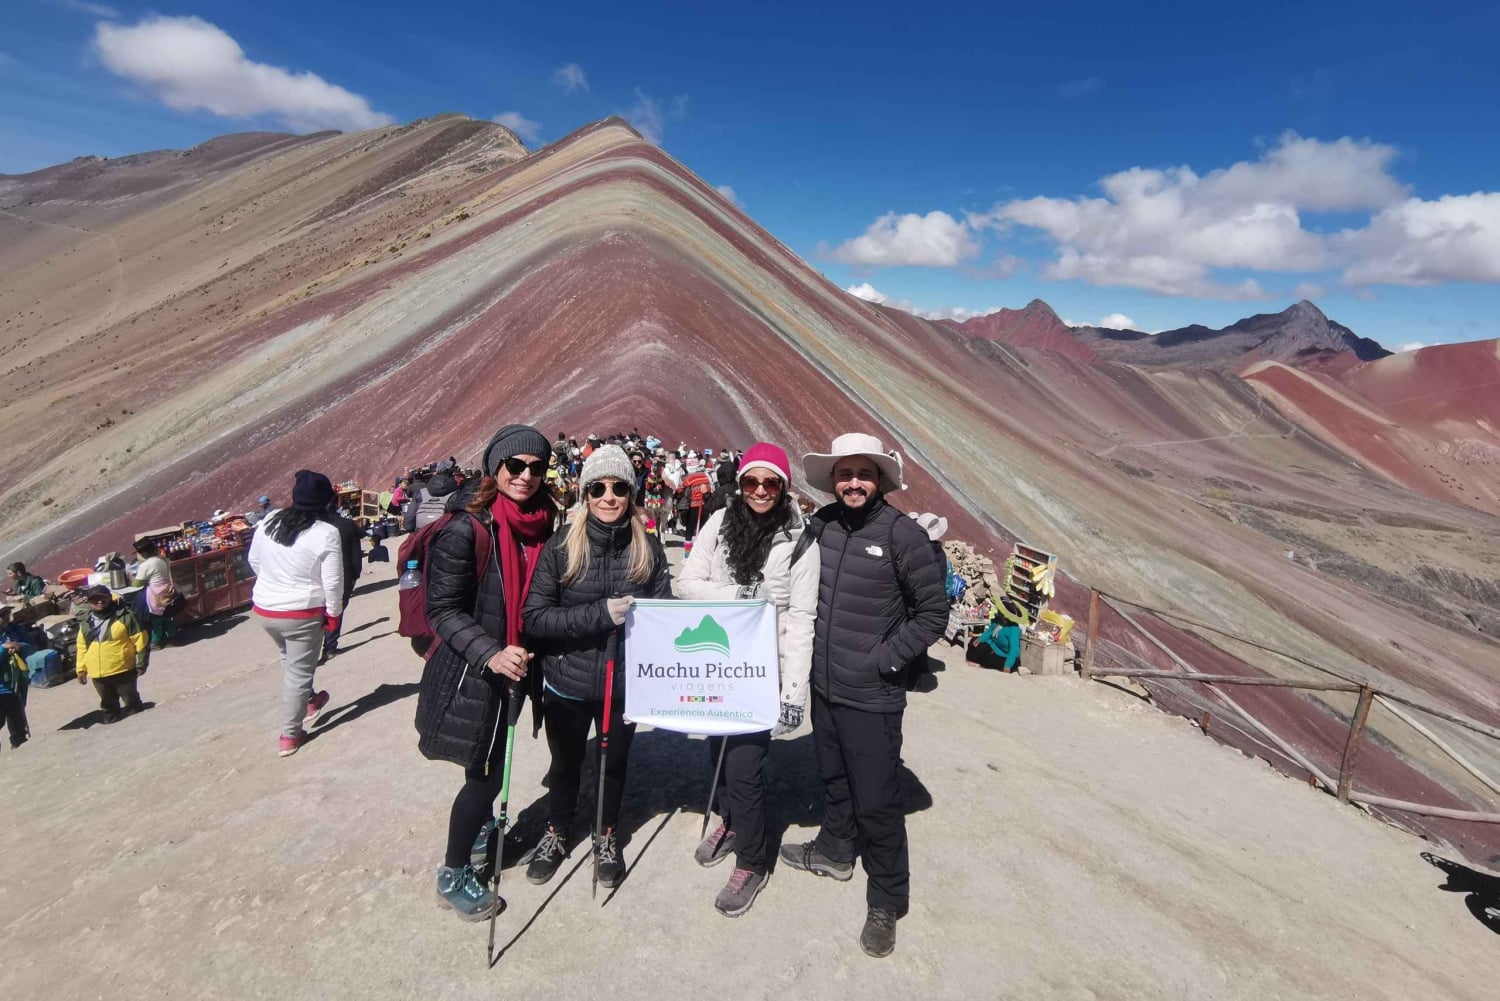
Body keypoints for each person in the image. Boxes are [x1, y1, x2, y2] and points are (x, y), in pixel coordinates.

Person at [779, 433, 948, 958]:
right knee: (832, 776)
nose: (853, 483)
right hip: (825, 687)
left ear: (879, 481)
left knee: (877, 800)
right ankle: (833, 850)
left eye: (864, 474)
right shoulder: (822, 526)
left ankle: (887, 899)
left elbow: (933, 614)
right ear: (833, 480)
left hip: (873, 694)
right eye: (845, 474)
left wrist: (885, 660)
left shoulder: (902, 536)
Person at [414, 425, 556, 921]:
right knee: (485, 774)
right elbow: (443, 610)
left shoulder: (543, 519)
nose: (526, 476)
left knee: (491, 769)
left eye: (537, 468)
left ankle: (478, 838)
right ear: (494, 467)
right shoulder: (466, 526)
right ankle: (453, 872)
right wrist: (492, 652)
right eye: (515, 466)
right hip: (475, 669)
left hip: (518, 664)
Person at [521, 445, 673, 889]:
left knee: (614, 763)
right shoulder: (561, 546)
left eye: (619, 487)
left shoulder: (650, 549)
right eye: (598, 488)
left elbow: (664, 615)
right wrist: (599, 615)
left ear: (631, 492)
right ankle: (557, 829)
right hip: (567, 682)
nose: (609, 497)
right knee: (565, 764)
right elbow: (536, 617)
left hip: (624, 684)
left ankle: (606, 835)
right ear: (584, 494)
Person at [678, 443, 817, 916]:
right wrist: (739, 593)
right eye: (752, 482)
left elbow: (801, 617)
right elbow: (687, 583)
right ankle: (732, 820)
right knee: (717, 750)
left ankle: (754, 860)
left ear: (784, 487)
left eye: (770, 482)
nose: (760, 491)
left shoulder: (800, 540)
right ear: (741, 484)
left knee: (744, 765)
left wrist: (793, 692)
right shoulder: (718, 524)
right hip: (717, 663)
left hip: (763, 671)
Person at [249, 470, 345, 758]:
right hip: (301, 612)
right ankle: (290, 734)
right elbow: (333, 582)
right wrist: (333, 613)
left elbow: (254, 560)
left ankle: (311, 700)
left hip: (265, 609)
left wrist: (275, 583)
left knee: (290, 659)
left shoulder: (269, 520)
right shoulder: (326, 533)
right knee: (299, 673)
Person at [75, 585, 149, 724]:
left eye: (103, 598)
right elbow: (82, 647)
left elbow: (141, 639)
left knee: (132, 703)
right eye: (95, 600)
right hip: (98, 674)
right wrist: (81, 669)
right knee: (108, 706)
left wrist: (142, 662)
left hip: (123, 669)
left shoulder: (126, 617)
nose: (99, 602)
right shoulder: (86, 623)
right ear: (89, 602)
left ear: (110, 598)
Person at [319, 499, 364, 660]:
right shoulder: (346, 524)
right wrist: (356, 573)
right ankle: (330, 646)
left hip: (317, 574)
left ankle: (315, 647)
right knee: (336, 609)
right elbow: (356, 551)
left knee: (319, 608)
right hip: (345, 573)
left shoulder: (314, 527)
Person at [130, 539, 178, 650]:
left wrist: (131, 578)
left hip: (155, 595)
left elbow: (137, 584)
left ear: (143, 553)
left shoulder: (146, 565)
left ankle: (155, 642)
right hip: (167, 591)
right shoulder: (163, 560)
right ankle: (173, 638)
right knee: (166, 616)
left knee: (156, 620)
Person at [1, 606, 32, 749]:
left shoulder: (16, 629)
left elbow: (31, 646)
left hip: (17, 678)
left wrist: (19, 646)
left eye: (6, 613)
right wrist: (4, 648)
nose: (4, 617)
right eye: (1, 615)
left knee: (17, 712)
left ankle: (18, 741)